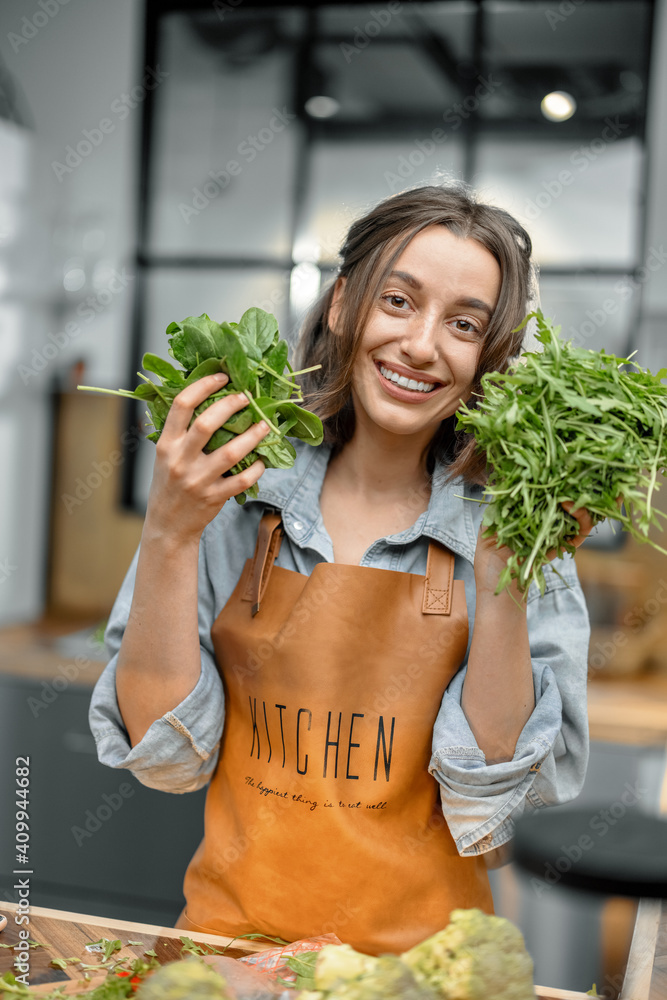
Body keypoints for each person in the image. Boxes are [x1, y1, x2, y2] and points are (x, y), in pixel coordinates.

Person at [89, 183, 592, 956]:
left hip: (421, 974)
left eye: (464, 324)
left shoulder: (522, 530)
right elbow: (165, 758)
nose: (422, 345)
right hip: (231, 963)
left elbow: (488, 792)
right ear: (340, 304)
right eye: (397, 301)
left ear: (489, 356)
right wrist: (167, 534)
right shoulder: (235, 493)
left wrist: (504, 580)